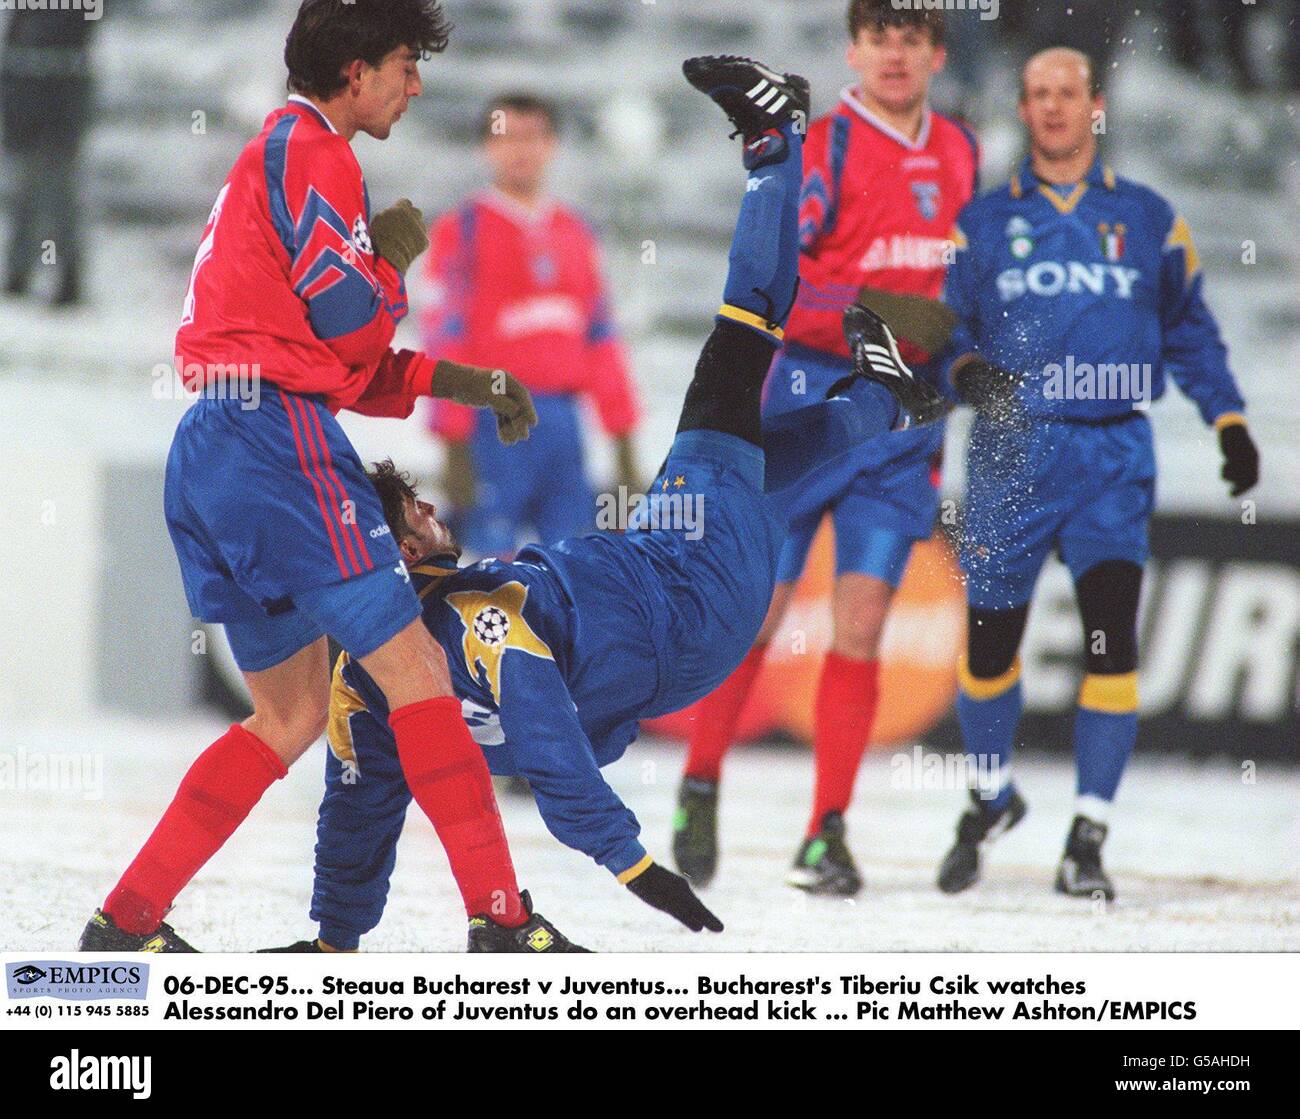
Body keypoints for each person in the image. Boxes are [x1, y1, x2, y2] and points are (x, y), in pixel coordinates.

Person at [263, 56, 949, 953]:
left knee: (729, 461)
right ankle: (775, 148)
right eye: (412, 516)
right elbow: (550, 744)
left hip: (656, 580)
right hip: (681, 590)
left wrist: (333, 939)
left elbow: (358, 817)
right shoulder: (477, 616)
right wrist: (632, 864)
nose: (429, 515)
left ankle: (887, 401)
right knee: (738, 345)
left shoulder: (366, 686)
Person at [78, 0, 566, 955]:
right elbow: (351, 326)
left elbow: (335, 354)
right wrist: (389, 260)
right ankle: (502, 920)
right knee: (419, 670)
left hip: (215, 440)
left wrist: (467, 379)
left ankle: (124, 922)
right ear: (354, 72)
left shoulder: (276, 152)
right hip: (276, 439)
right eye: (403, 65)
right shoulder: (318, 153)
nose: (415, 85)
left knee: (292, 710)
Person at [936, 47, 1259, 901]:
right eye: (1036, 92)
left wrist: (1227, 420)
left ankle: (1088, 833)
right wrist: (964, 372)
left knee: (1110, 639)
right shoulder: (980, 222)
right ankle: (988, 794)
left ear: (1096, 106)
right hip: (1010, 454)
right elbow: (942, 331)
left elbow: (1189, 327)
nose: (1051, 107)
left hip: (1112, 455)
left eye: (1066, 93)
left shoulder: (1150, 217)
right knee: (989, 648)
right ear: (1024, 105)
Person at [672, 0, 979, 897]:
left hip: (907, 424)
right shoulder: (832, 146)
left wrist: (967, 351)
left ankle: (825, 832)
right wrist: (884, 318)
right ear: (853, 49)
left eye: (911, 39)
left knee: (862, 626)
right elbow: (785, 287)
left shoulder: (962, 151)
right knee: (756, 616)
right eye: (879, 36)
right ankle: (699, 779)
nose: (894, 53)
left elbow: (958, 281)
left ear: (935, 54)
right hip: (809, 406)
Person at [422, 93, 642, 557]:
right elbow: (445, 337)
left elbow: (600, 338)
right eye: (508, 137)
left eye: (534, 136)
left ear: (553, 145)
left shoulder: (575, 231)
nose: (522, 149)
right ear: (487, 147)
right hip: (494, 419)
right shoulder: (461, 230)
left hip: (563, 426)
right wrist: (452, 442)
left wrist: (624, 441)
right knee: (491, 572)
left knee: (575, 565)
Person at [1, 3, 98, 306]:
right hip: (32, 88)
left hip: (59, 90)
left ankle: (66, 275)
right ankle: (25, 272)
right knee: (31, 186)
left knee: (57, 186)